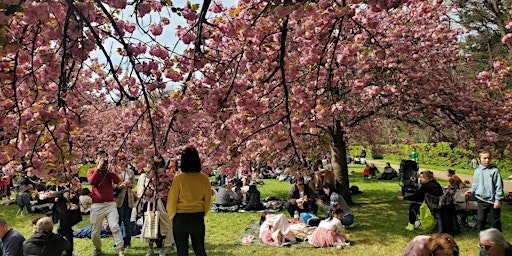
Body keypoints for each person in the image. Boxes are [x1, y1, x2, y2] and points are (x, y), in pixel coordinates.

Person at [167, 147, 211, 256]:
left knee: (182, 251)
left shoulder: (179, 179)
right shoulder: (204, 179)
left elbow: (172, 200)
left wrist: (171, 216)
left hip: (180, 218)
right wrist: (202, 213)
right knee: (200, 250)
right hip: (197, 217)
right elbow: (207, 201)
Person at [87, 150, 125, 256]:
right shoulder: (91, 170)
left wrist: (110, 170)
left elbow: (117, 181)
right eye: (101, 158)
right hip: (96, 205)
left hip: (110, 204)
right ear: (96, 160)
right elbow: (91, 182)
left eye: (105, 158)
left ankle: (120, 250)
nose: (103, 161)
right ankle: (98, 248)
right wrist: (98, 168)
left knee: (114, 227)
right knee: (95, 233)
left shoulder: (109, 172)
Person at [142, 154, 173, 256]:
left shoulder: (166, 173)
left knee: (163, 225)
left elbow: (170, 185)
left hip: (163, 201)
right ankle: (151, 248)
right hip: (151, 201)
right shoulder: (149, 174)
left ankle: (162, 249)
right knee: (150, 223)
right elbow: (147, 187)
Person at [465, 151, 504, 231]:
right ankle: (482, 240)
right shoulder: (477, 171)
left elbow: (499, 186)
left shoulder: (494, 171)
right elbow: (475, 184)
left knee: (495, 222)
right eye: (484, 158)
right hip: (481, 200)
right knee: (481, 220)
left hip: (492, 201)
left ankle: (498, 240)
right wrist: (471, 190)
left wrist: (498, 200)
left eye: (489, 158)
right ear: (479, 159)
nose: (487, 160)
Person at [114, 153, 135, 249]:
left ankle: (127, 242)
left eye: (124, 160)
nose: (122, 162)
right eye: (120, 160)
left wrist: (130, 185)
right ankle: (118, 243)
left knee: (127, 221)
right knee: (118, 221)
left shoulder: (130, 172)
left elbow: (133, 185)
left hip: (129, 199)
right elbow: (113, 186)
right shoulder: (115, 172)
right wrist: (124, 184)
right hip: (119, 200)